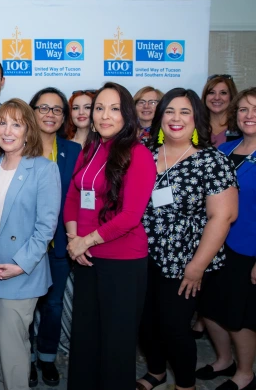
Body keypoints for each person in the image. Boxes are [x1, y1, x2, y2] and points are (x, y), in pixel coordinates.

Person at [138, 88, 238, 390]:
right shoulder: (145, 154)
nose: (176, 118)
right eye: (169, 111)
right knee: (145, 323)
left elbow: (223, 217)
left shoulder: (211, 161)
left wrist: (197, 266)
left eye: (185, 112)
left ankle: (185, 385)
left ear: (197, 119)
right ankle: (156, 372)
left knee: (174, 327)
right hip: (142, 257)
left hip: (186, 262)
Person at [64, 82, 156, 390]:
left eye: (114, 109)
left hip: (122, 261)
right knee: (86, 337)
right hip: (87, 259)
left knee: (116, 342)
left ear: (127, 115)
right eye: (99, 108)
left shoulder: (138, 154)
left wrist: (85, 242)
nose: (105, 116)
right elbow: (74, 197)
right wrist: (73, 240)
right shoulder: (90, 149)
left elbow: (131, 217)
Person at [0, 98, 61, 390]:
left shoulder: (44, 170)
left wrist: (19, 265)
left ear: (28, 132)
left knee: (12, 351)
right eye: (2, 122)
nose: (7, 130)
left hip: (20, 273)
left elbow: (45, 228)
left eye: (17, 124)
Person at [196, 87, 256, 390]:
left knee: (239, 316)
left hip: (248, 248)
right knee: (209, 308)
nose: (249, 115)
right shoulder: (224, 151)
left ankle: (245, 373)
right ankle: (223, 360)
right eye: (244, 109)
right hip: (213, 244)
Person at [27, 87, 81, 387]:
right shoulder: (18, 149)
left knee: (53, 305)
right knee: (25, 306)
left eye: (57, 109)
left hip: (59, 243)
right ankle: (24, 359)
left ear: (64, 117)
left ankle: (46, 358)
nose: (50, 114)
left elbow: (78, 198)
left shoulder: (73, 151)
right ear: (32, 112)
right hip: (24, 244)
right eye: (43, 108)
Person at [202, 74, 240, 147]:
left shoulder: (241, 127)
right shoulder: (195, 126)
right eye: (211, 92)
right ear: (205, 97)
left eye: (223, 93)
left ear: (231, 96)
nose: (217, 97)